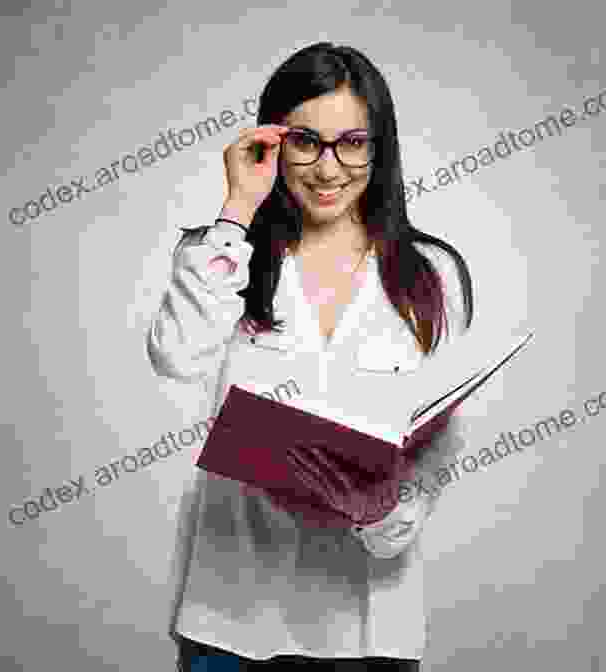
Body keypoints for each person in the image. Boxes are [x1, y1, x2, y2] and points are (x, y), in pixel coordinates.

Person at [147, 42, 474, 671]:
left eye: (352, 142)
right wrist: (237, 206)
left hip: (367, 621)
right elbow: (176, 356)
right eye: (306, 142)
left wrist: (383, 518)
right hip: (233, 609)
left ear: (380, 149)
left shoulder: (432, 274)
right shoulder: (227, 253)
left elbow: (441, 439)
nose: (329, 169)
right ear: (274, 143)